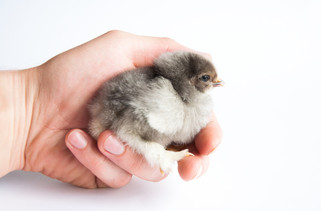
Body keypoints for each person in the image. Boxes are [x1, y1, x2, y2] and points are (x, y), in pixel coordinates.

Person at [0, 30, 222, 188]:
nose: (215, 82)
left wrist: (26, 128)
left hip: (113, 119)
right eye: (206, 78)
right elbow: (126, 120)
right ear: (190, 80)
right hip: (124, 122)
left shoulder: (184, 100)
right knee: (145, 123)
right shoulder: (166, 95)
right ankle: (152, 150)